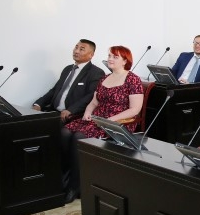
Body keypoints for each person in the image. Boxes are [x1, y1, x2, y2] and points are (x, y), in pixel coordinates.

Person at [61, 46, 145, 202]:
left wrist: (110, 120)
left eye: (115, 57)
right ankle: (65, 177)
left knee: (79, 136)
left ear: (125, 61)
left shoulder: (133, 79)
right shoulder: (104, 78)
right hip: (97, 118)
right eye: (109, 56)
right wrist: (87, 112)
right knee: (64, 132)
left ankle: (75, 185)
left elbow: (134, 109)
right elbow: (94, 102)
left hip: (117, 123)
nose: (110, 59)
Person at [33, 39, 104, 122]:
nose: (76, 51)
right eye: (76, 47)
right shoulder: (67, 69)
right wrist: (38, 104)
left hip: (73, 116)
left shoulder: (96, 72)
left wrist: (71, 110)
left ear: (91, 55)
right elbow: (55, 90)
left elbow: (91, 96)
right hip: (53, 112)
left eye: (81, 49)